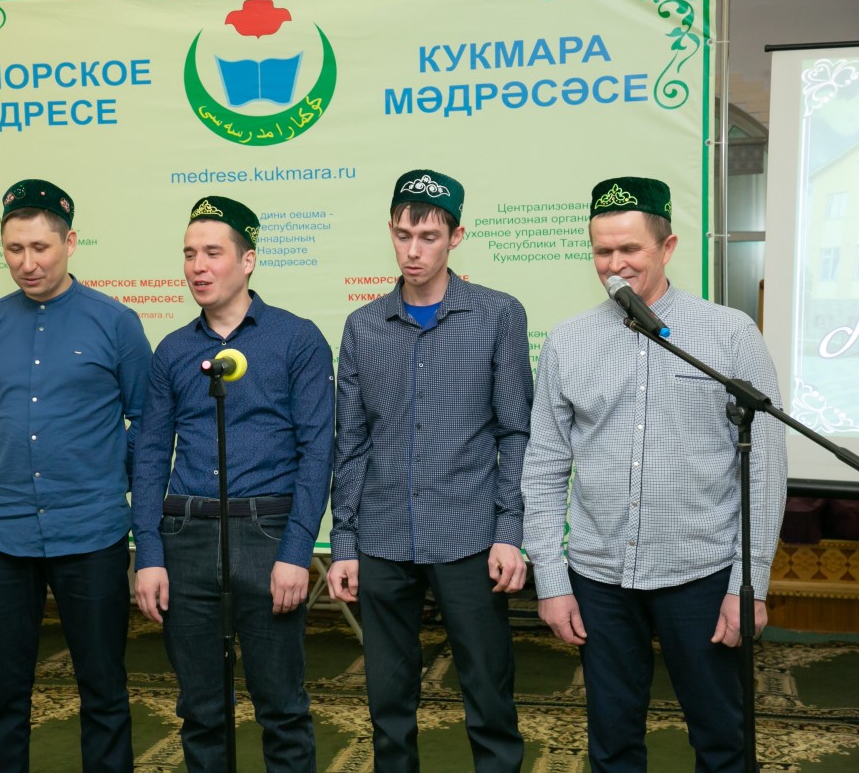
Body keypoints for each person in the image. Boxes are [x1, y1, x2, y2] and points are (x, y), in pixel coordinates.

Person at [521, 176, 788, 772]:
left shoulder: (729, 333)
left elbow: (765, 467)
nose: (614, 264)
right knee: (612, 742)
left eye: (629, 249)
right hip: (599, 576)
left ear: (667, 248)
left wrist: (749, 583)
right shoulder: (567, 341)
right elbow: (543, 466)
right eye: (602, 251)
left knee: (721, 739)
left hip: (701, 572)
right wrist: (552, 580)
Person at [327, 169, 532, 773]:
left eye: (428, 237)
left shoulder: (498, 315)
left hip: (469, 535)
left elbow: (515, 431)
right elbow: (351, 444)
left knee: (488, 694)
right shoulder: (364, 326)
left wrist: (509, 531)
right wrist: (344, 543)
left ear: (456, 237)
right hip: (383, 537)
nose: (412, 250)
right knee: (388, 702)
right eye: (402, 235)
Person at [132, 195, 334, 773]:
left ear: (247, 261)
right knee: (200, 711)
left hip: (267, 534)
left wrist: (297, 551)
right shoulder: (173, 350)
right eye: (189, 254)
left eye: (212, 253)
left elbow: (317, 452)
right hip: (186, 535)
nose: (197, 266)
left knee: (282, 709)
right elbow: (150, 455)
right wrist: (149, 554)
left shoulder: (296, 339)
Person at [0, 179, 151, 773]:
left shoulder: (116, 322)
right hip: (4, 533)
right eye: (14, 249)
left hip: (91, 533)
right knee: (0, 689)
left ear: (69, 243)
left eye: (40, 248)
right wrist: (18, 469)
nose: (28, 262)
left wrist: (104, 475)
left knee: (103, 686)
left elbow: (146, 419)